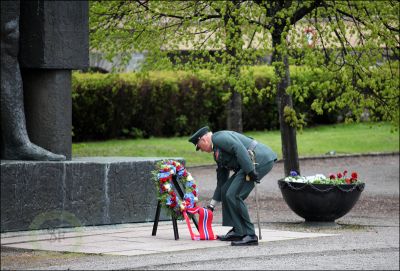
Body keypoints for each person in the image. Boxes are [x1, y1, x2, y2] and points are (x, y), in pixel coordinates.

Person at [189, 126, 277, 246]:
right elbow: (221, 182)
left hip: (258, 158)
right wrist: (211, 206)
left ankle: (250, 235)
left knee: (234, 194)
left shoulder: (218, 137)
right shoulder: (217, 152)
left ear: (204, 140)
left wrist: (250, 170)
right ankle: (238, 231)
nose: (202, 150)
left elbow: (238, 148)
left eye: (200, 147)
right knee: (226, 191)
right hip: (248, 163)